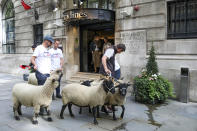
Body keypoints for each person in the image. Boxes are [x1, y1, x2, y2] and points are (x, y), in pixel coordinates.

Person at [31, 35, 54, 115]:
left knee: (47, 92)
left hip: (47, 73)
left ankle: (45, 106)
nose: (51, 44)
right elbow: (32, 58)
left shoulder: (47, 50)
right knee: (42, 92)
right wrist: (35, 65)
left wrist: (50, 69)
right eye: (50, 42)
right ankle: (40, 109)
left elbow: (47, 61)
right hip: (41, 73)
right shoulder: (39, 48)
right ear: (46, 41)